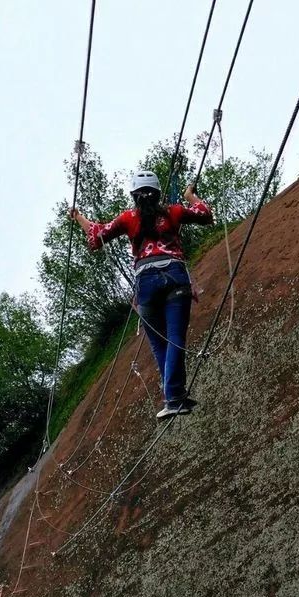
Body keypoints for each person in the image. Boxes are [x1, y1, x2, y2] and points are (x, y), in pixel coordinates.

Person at [70, 171, 214, 419]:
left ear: (134, 196)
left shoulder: (128, 218)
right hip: (175, 276)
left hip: (146, 284)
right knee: (176, 337)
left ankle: (173, 395)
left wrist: (78, 216)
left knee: (159, 343)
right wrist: (191, 196)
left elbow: (97, 236)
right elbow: (205, 214)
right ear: (157, 193)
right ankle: (174, 395)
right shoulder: (174, 211)